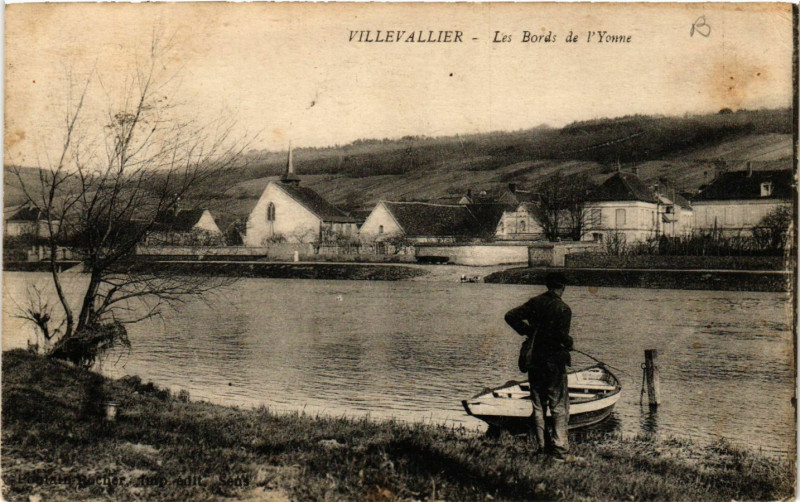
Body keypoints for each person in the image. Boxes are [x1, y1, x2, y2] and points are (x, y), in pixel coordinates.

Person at [504, 272, 573, 460]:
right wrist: (569, 343)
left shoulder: (535, 302)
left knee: (538, 405)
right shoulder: (563, 309)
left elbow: (510, 316)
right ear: (563, 288)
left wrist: (528, 331)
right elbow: (561, 338)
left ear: (548, 286)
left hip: (534, 360)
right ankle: (561, 451)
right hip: (553, 363)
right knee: (558, 406)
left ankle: (542, 447)